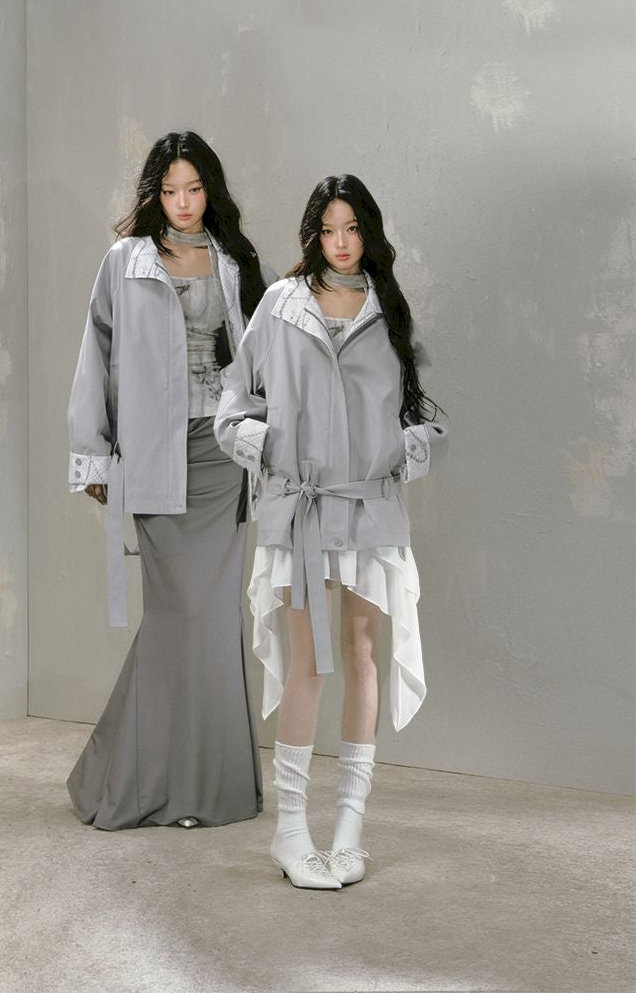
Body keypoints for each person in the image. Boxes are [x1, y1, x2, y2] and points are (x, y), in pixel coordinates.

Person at [215, 174, 447, 887]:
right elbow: (232, 404)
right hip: (303, 511)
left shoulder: (389, 308)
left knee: (363, 655)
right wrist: (270, 449)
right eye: (328, 230)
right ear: (312, 235)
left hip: (371, 509)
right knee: (309, 662)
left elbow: (419, 412)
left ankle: (349, 827)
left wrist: (407, 450)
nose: (341, 244)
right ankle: (291, 833)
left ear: (368, 233)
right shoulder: (282, 305)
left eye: (352, 229)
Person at [66, 130, 274, 829]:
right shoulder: (125, 261)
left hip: (223, 453)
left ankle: (209, 790)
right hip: (154, 453)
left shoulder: (236, 260)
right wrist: (93, 454)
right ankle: (134, 781)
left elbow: (267, 359)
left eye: (194, 189)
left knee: (212, 620)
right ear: (154, 194)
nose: (183, 203)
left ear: (210, 191)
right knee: (175, 616)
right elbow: (95, 354)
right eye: (170, 190)